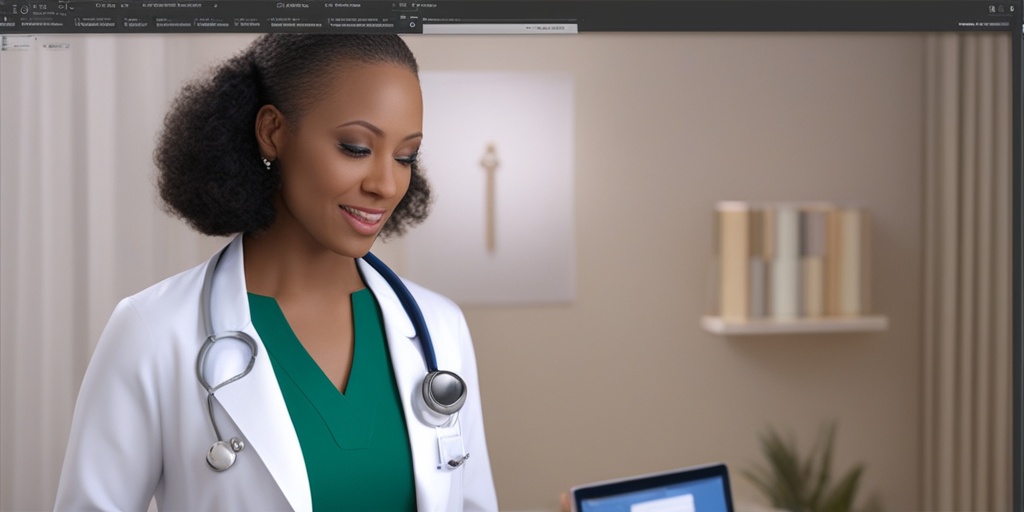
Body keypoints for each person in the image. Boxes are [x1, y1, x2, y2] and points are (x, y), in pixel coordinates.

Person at [54, 34, 498, 511]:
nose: (386, 184)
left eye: (405, 156)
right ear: (273, 131)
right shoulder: (152, 331)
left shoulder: (439, 327)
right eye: (355, 147)